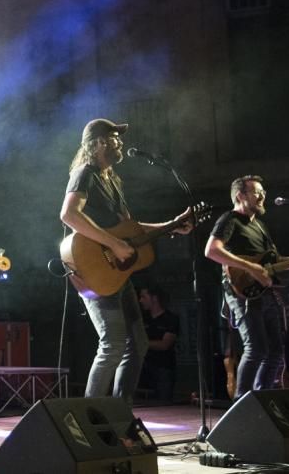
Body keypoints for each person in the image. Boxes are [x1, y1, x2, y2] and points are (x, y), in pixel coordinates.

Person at [59, 118, 193, 404]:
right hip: (93, 269)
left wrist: (171, 224)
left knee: (138, 343)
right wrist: (113, 244)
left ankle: (121, 410)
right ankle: (90, 416)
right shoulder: (85, 173)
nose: (121, 142)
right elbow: (69, 215)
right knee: (112, 344)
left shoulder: (112, 180)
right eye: (115, 137)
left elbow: (130, 230)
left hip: (117, 275)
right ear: (98, 143)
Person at [204, 175, 289, 399]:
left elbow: (275, 262)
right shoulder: (229, 220)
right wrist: (251, 268)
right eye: (256, 192)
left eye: (263, 191)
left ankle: (262, 400)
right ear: (240, 196)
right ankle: (241, 404)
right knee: (256, 349)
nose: (263, 195)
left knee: (275, 353)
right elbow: (212, 251)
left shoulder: (260, 226)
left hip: (264, 293)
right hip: (241, 292)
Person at [138, 284, 179, 403]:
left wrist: (141, 343)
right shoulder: (142, 319)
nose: (140, 300)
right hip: (143, 369)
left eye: (143, 297)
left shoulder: (171, 319)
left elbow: (165, 344)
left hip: (164, 370)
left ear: (154, 298)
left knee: (163, 405)